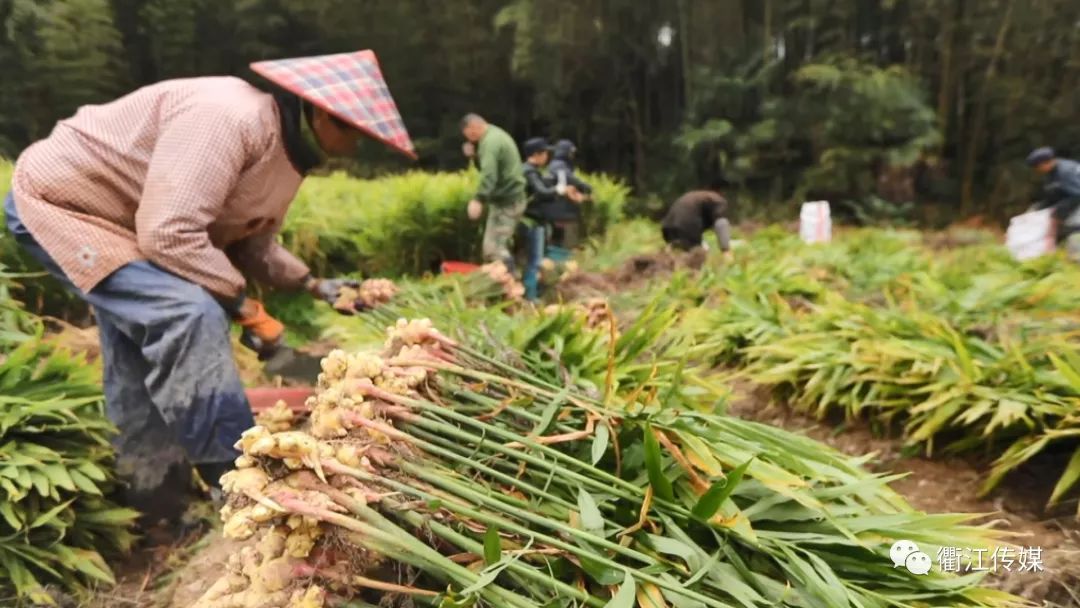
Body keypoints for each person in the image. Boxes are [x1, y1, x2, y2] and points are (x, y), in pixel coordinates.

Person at [3, 50, 415, 525]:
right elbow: (168, 234)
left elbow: (251, 242)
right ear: (323, 113)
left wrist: (314, 284)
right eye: (355, 133)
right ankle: (237, 481)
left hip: (131, 225)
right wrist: (243, 307)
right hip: (67, 206)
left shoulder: (286, 150)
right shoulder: (228, 117)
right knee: (189, 314)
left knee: (140, 349)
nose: (358, 147)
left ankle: (155, 504)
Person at [461, 114, 527, 270]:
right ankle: (506, 285)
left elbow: (489, 174)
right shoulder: (494, 135)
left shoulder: (490, 143)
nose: (471, 139)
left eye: (470, 135)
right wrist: (474, 156)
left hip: (508, 202)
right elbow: (488, 168)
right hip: (504, 200)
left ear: (473, 128)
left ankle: (510, 286)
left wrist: (478, 199)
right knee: (492, 248)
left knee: (495, 250)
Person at [520, 137, 558, 301]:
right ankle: (531, 296)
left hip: (536, 221)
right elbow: (542, 192)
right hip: (532, 222)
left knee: (534, 258)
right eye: (545, 153)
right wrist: (559, 190)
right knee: (534, 260)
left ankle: (532, 292)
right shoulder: (529, 172)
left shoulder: (531, 171)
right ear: (537, 154)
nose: (547, 157)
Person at [1026, 147, 1080, 253]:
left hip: (1077, 209)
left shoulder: (1065, 171)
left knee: (1074, 232)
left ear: (1044, 164)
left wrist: (1059, 213)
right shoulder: (1052, 173)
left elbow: (1077, 194)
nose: (1037, 171)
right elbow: (1055, 196)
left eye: (1037, 167)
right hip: (1072, 207)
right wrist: (1037, 208)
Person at [660, 190, 733, 261]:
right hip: (687, 225)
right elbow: (721, 224)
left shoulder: (701, 197)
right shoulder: (719, 201)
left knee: (676, 252)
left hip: (667, 226)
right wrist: (726, 250)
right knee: (696, 256)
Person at [546, 139, 592, 249]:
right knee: (566, 242)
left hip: (564, 209)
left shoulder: (562, 165)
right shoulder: (558, 166)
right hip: (562, 210)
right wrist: (585, 186)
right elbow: (568, 179)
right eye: (571, 152)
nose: (572, 155)